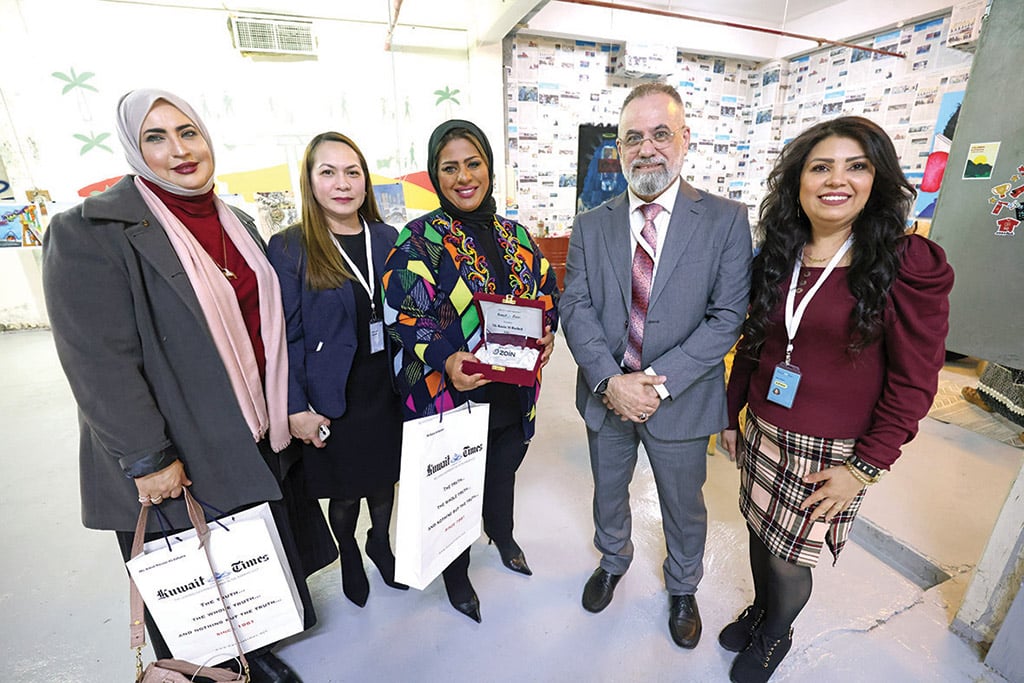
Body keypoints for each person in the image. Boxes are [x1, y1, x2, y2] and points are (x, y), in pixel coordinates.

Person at [42, 89, 336, 683]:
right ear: (132, 147)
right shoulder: (93, 231)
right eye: (156, 137)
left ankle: (253, 654)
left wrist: (288, 407)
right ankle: (211, 669)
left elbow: (266, 329)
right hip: (178, 441)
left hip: (249, 428)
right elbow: (98, 360)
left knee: (241, 562)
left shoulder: (238, 222)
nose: (179, 150)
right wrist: (148, 457)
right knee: (193, 579)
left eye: (188, 132)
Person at [719, 116, 953, 682]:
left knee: (788, 555)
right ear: (798, 181)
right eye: (821, 166)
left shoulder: (905, 262)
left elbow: (915, 382)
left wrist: (865, 468)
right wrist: (731, 414)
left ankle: (777, 633)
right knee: (757, 528)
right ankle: (761, 609)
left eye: (857, 166)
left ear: (878, 180)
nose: (837, 180)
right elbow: (757, 342)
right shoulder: (781, 252)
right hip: (765, 429)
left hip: (833, 450)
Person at [560, 82, 753, 649]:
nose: (647, 149)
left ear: (685, 140)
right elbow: (575, 306)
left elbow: (726, 317)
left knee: (683, 503)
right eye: (632, 138)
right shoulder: (592, 224)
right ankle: (614, 560)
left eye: (660, 134)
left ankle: (683, 585)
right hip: (607, 394)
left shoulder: (723, 220)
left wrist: (654, 388)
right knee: (608, 491)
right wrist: (610, 382)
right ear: (617, 149)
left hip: (683, 399)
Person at [381, 119, 559, 622]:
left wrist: (546, 330)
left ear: (489, 168)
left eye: (473, 163)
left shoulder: (517, 236)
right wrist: (446, 360)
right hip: (450, 399)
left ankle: (502, 535)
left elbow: (547, 295)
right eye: (449, 167)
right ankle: (456, 575)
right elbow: (402, 315)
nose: (464, 177)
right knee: (454, 489)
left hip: (512, 396)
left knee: (502, 475)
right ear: (436, 176)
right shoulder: (418, 240)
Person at [267, 132, 407, 608]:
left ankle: (379, 544)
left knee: (385, 484)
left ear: (366, 180)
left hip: (385, 389)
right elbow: (284, 338)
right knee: (345, 496)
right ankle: (349, 549)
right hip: (333, 395)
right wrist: (295, 408)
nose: (343, 183)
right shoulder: (290, 247)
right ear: (310, 181)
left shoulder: (388, 238)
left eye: (353, 172)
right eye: (328, 172)